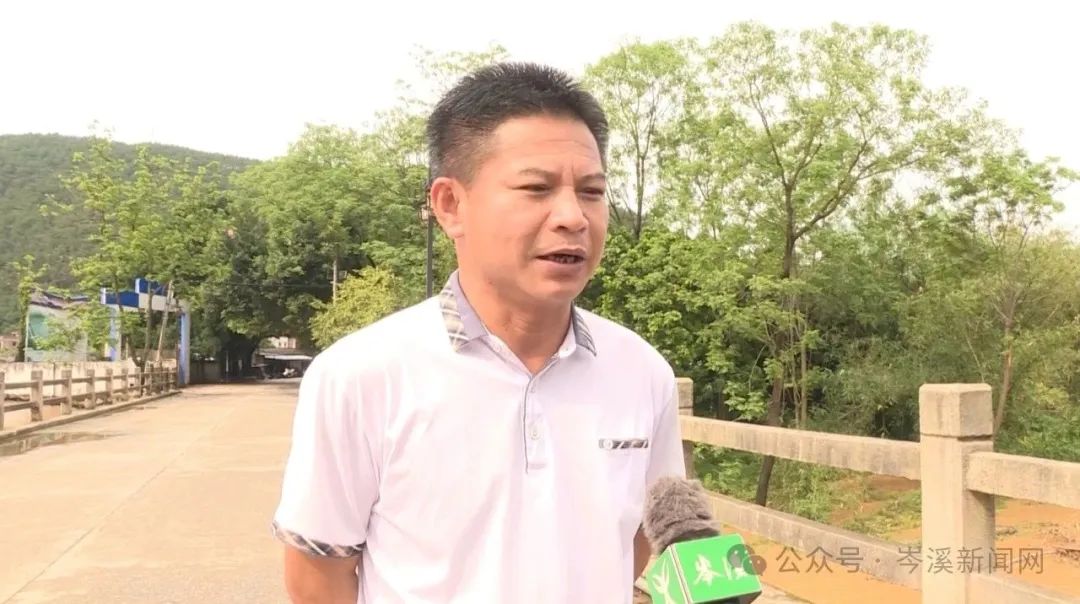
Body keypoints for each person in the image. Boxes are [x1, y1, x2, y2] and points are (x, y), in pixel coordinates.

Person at [271, 62, 687, 604]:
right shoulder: (361, 374)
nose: (573, 217)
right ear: (451, 205)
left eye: (591, 191)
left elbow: (644, 539)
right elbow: (318, 576)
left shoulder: (642, 371)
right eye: (536, 188)